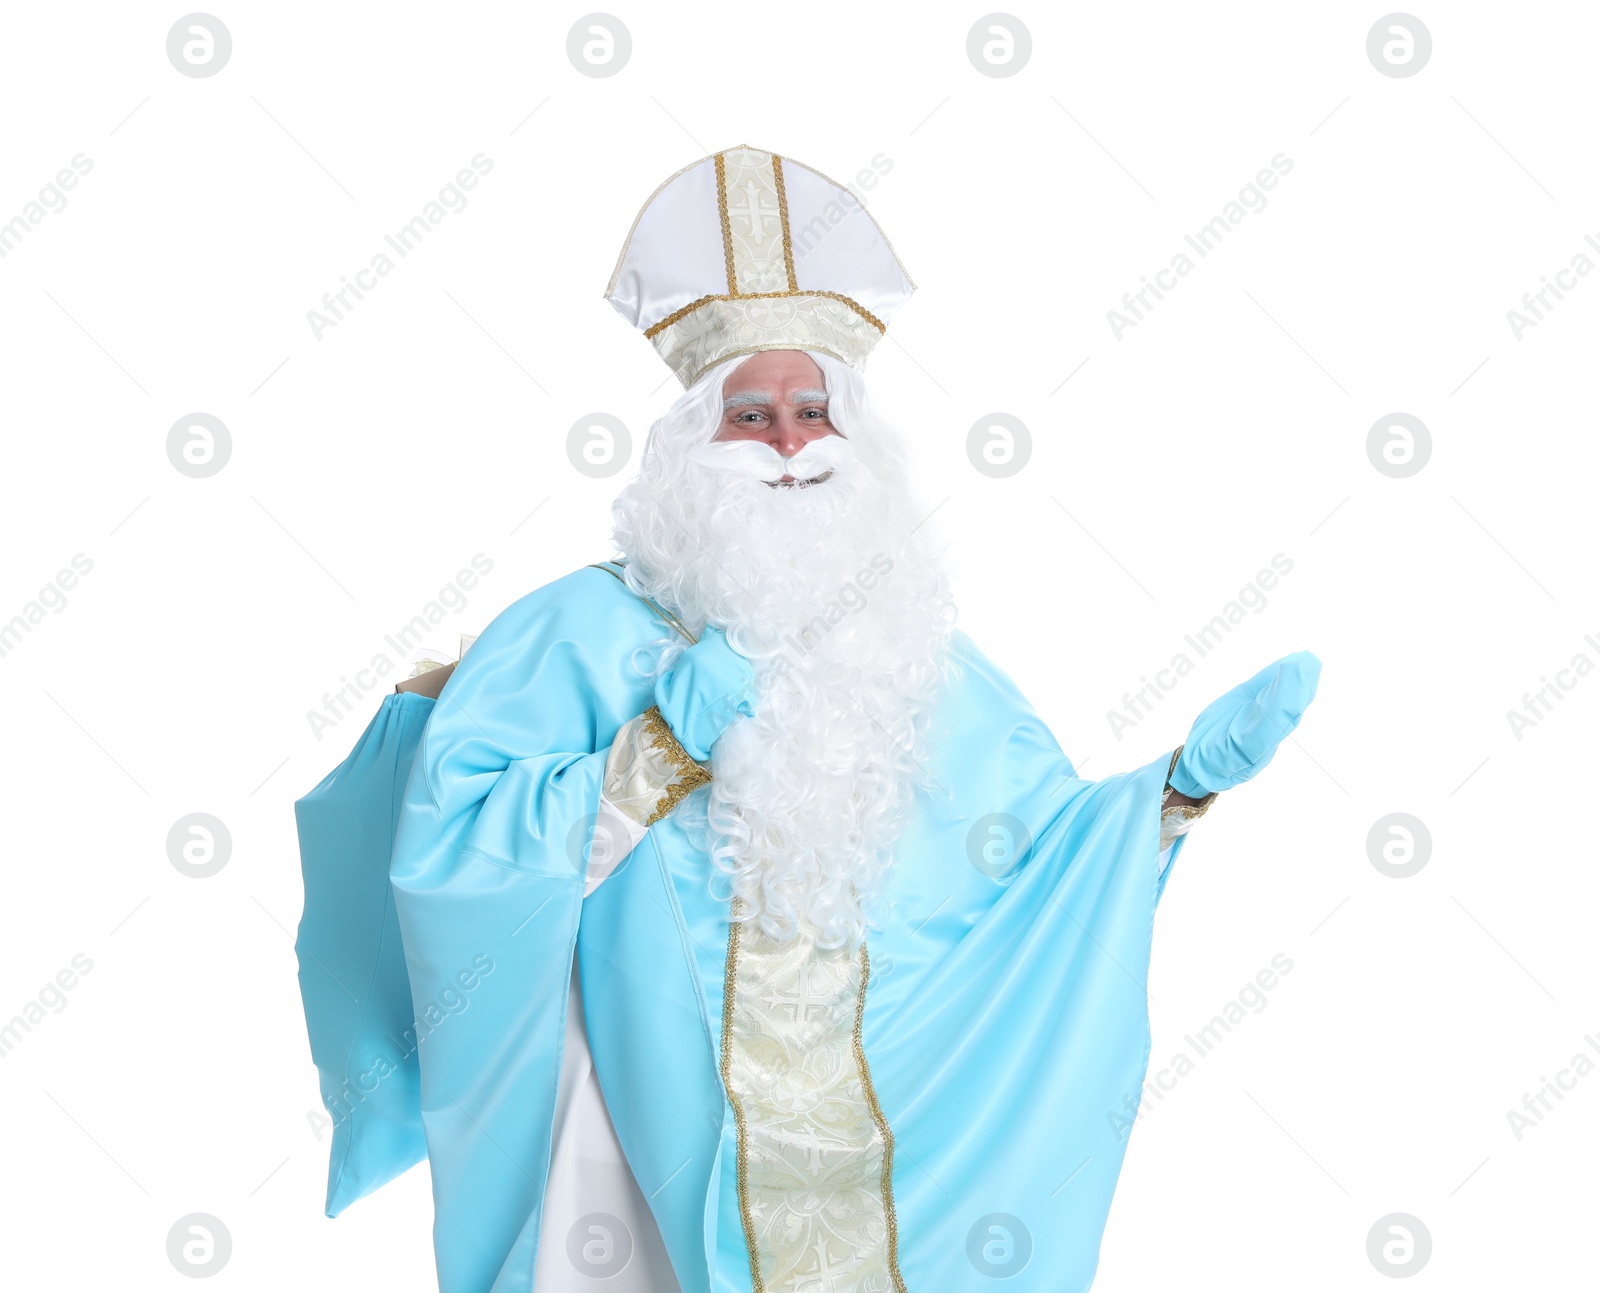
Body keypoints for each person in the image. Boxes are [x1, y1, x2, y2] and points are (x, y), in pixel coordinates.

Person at [340, 145, 1319, 1293]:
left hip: (886, 1108)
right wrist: (655, 753)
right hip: (630, 1126)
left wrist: (1169, 796)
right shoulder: (575, 629)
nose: (793, 444)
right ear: (692, 444)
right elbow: (456, 850)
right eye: (751, 415)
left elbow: (1037, 857)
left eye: (813, 411)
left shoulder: (907, 649)